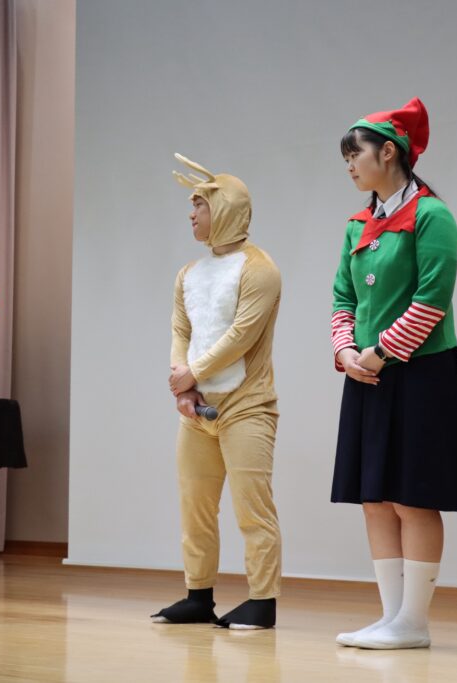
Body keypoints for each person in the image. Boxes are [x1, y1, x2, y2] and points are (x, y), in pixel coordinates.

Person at [329, 98, 457, 649]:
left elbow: (432, 299)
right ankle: (390, 617)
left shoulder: (433, 217)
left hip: (422, 374)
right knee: (375, 498)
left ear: (389, 152)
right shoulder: (357, 225)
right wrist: (346, 352)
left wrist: (380, 353)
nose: (349, 164)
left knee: (413, 497)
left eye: (356, 153)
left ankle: (414, 621)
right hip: (367, 374)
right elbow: (343, 298)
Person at [151, 154, 283, 630]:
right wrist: (182, 386)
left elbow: (241, 335)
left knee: (252, 508)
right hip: (196, 411)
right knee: (195, 507)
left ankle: (262, 601)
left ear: (225, 208)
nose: (191, 214)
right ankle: (198, 595)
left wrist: (191, 375)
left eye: (199, 205)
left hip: (248, 407)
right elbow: (180, 329)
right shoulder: (188, 273)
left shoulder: (260, 269)